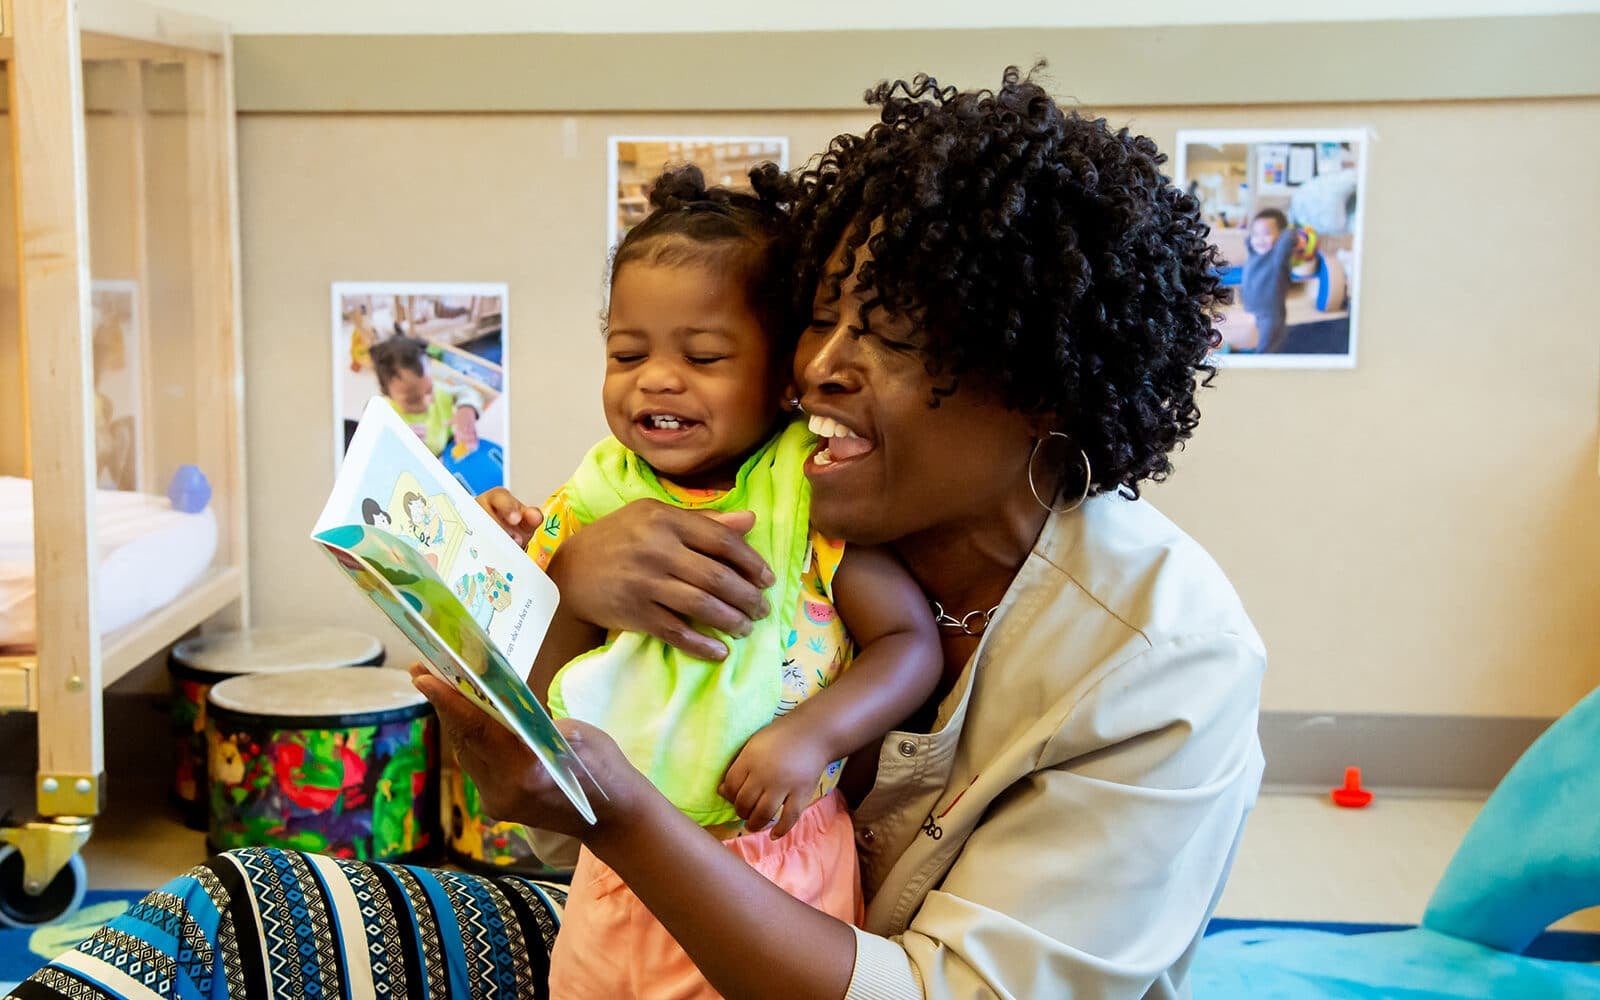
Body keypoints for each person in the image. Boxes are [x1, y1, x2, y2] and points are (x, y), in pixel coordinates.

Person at [9, 66, 1264, 1000]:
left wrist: (620, 818)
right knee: (241, 907)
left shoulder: (1161, 660)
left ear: (1038, 383)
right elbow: (544, 767)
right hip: (630, 947)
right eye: (823, 322)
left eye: (889, 338)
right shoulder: (743, 507)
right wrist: (564, 584)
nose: (821, 369)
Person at [521, 163, 941, 997]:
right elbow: (536, 659)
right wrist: (555, 571)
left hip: (773, 863)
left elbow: (907, 642)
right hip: (613, 868)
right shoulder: (598, 493)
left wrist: (813, 734)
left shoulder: (811, 495)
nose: (657, 378)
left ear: (785, 376)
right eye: (626, 352)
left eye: (704, 355)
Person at [369, 334, 482, 456]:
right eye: (412, 400)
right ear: (388, 394)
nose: (425, 402)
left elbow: (469, 392)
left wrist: (467, 409)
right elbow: (377, 450)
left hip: (447, 451)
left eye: (429, 390)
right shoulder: (385, 414)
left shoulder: (439, 391)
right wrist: (398, 444)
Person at [1239, 207, 1307, 354]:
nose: (1260, 240)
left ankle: (1265, 365)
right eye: (1256, 235)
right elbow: (1249, 241)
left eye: (1267, 234)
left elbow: (1288, 237)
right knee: (1255, 338)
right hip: (1253, 310)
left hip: (1271, 314)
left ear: (1280, 237)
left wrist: (1296, 235)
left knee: (1269, 346)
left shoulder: (1277, 256)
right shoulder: (1254, 252)